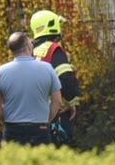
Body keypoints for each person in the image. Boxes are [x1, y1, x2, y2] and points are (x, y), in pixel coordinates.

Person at [0, 31, 65, 147]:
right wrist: (46, 120)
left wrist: (7, 120)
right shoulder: (47, 69)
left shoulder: (1, 72)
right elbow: (58, 101)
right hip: (40, 128)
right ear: (28, 46)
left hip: (12, 128)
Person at [28, 8, 81, 141]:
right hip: (54, 116)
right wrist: (72, 101)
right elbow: (65, 79)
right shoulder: (54, 49)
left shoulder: (29, 51)